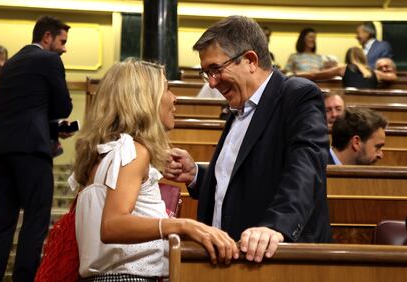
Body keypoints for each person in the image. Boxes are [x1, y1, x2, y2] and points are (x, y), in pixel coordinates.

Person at [164, 16, 332, 263]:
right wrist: (197, 175)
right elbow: (243, 176)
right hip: (231, 260)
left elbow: (305, 168)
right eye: (206, 73)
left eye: (216, 69)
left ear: (251, 60)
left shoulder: (297, 95)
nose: (211, 82)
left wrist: (276, 226)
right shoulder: (240, 106)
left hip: (277, 261)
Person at [71, 58, 238, 281]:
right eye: (167, 89)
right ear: (144, 99)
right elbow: (112, 225)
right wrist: (183, 225)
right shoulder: (134, 151)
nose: (174, 97)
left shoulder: (105, 154)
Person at [0, 16, 72, 281]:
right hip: (33, 151)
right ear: (47, 37)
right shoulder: (49, 60)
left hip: (3, 151)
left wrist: (48, 125)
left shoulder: (10, 64)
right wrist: (56, 124)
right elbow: (63, 107)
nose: (64, 48)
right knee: (35, 222)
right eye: (62, 41)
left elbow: (22, 109)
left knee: (3, 223)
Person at [296, 47, 397, 88]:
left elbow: (314, 75)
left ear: (348, 58)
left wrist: (295, 74)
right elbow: (393, 77)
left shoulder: (343, 68)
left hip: (351, 106)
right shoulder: (375, 73)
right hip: (369, 110)